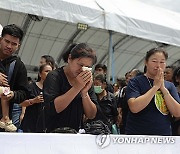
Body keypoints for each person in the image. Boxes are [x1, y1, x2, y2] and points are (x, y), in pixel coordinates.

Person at [37, 43, 98, 132]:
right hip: (51, 132)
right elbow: (53, 108)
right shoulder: (54, 76)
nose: (82, 70)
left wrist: (85, 93)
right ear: (69, 58)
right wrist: (77, 87)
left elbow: (92, 115)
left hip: (74, 133)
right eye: (80, 65)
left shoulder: (85, 80)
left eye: (87, 67)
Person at [126, 47, 180, 135]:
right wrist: (155, 87)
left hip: (163, 136)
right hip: (137, 135)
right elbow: (134, 107)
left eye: (162, 62)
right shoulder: (136, 82)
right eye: (154, 61)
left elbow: (177, 112)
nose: (158, 65)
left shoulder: (169, 85)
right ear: (146, 62)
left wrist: (163, 88)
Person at [0, 24, 29, 132]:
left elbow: (24, 93)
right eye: (7, 41)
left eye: (14, 44)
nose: (9, 46)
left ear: (18, 46)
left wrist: (13, 95)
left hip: (3, 123)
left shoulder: (18, 65)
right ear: (0, 39)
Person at [20, 64, 52, 132]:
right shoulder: (31, 87)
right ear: (40, 74)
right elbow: (21, 103)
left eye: (51, 72)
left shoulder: (54, 89)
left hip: (46, 124)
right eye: (47, 71)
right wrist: (34, 101)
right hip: (30, 123)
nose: (49, 74)